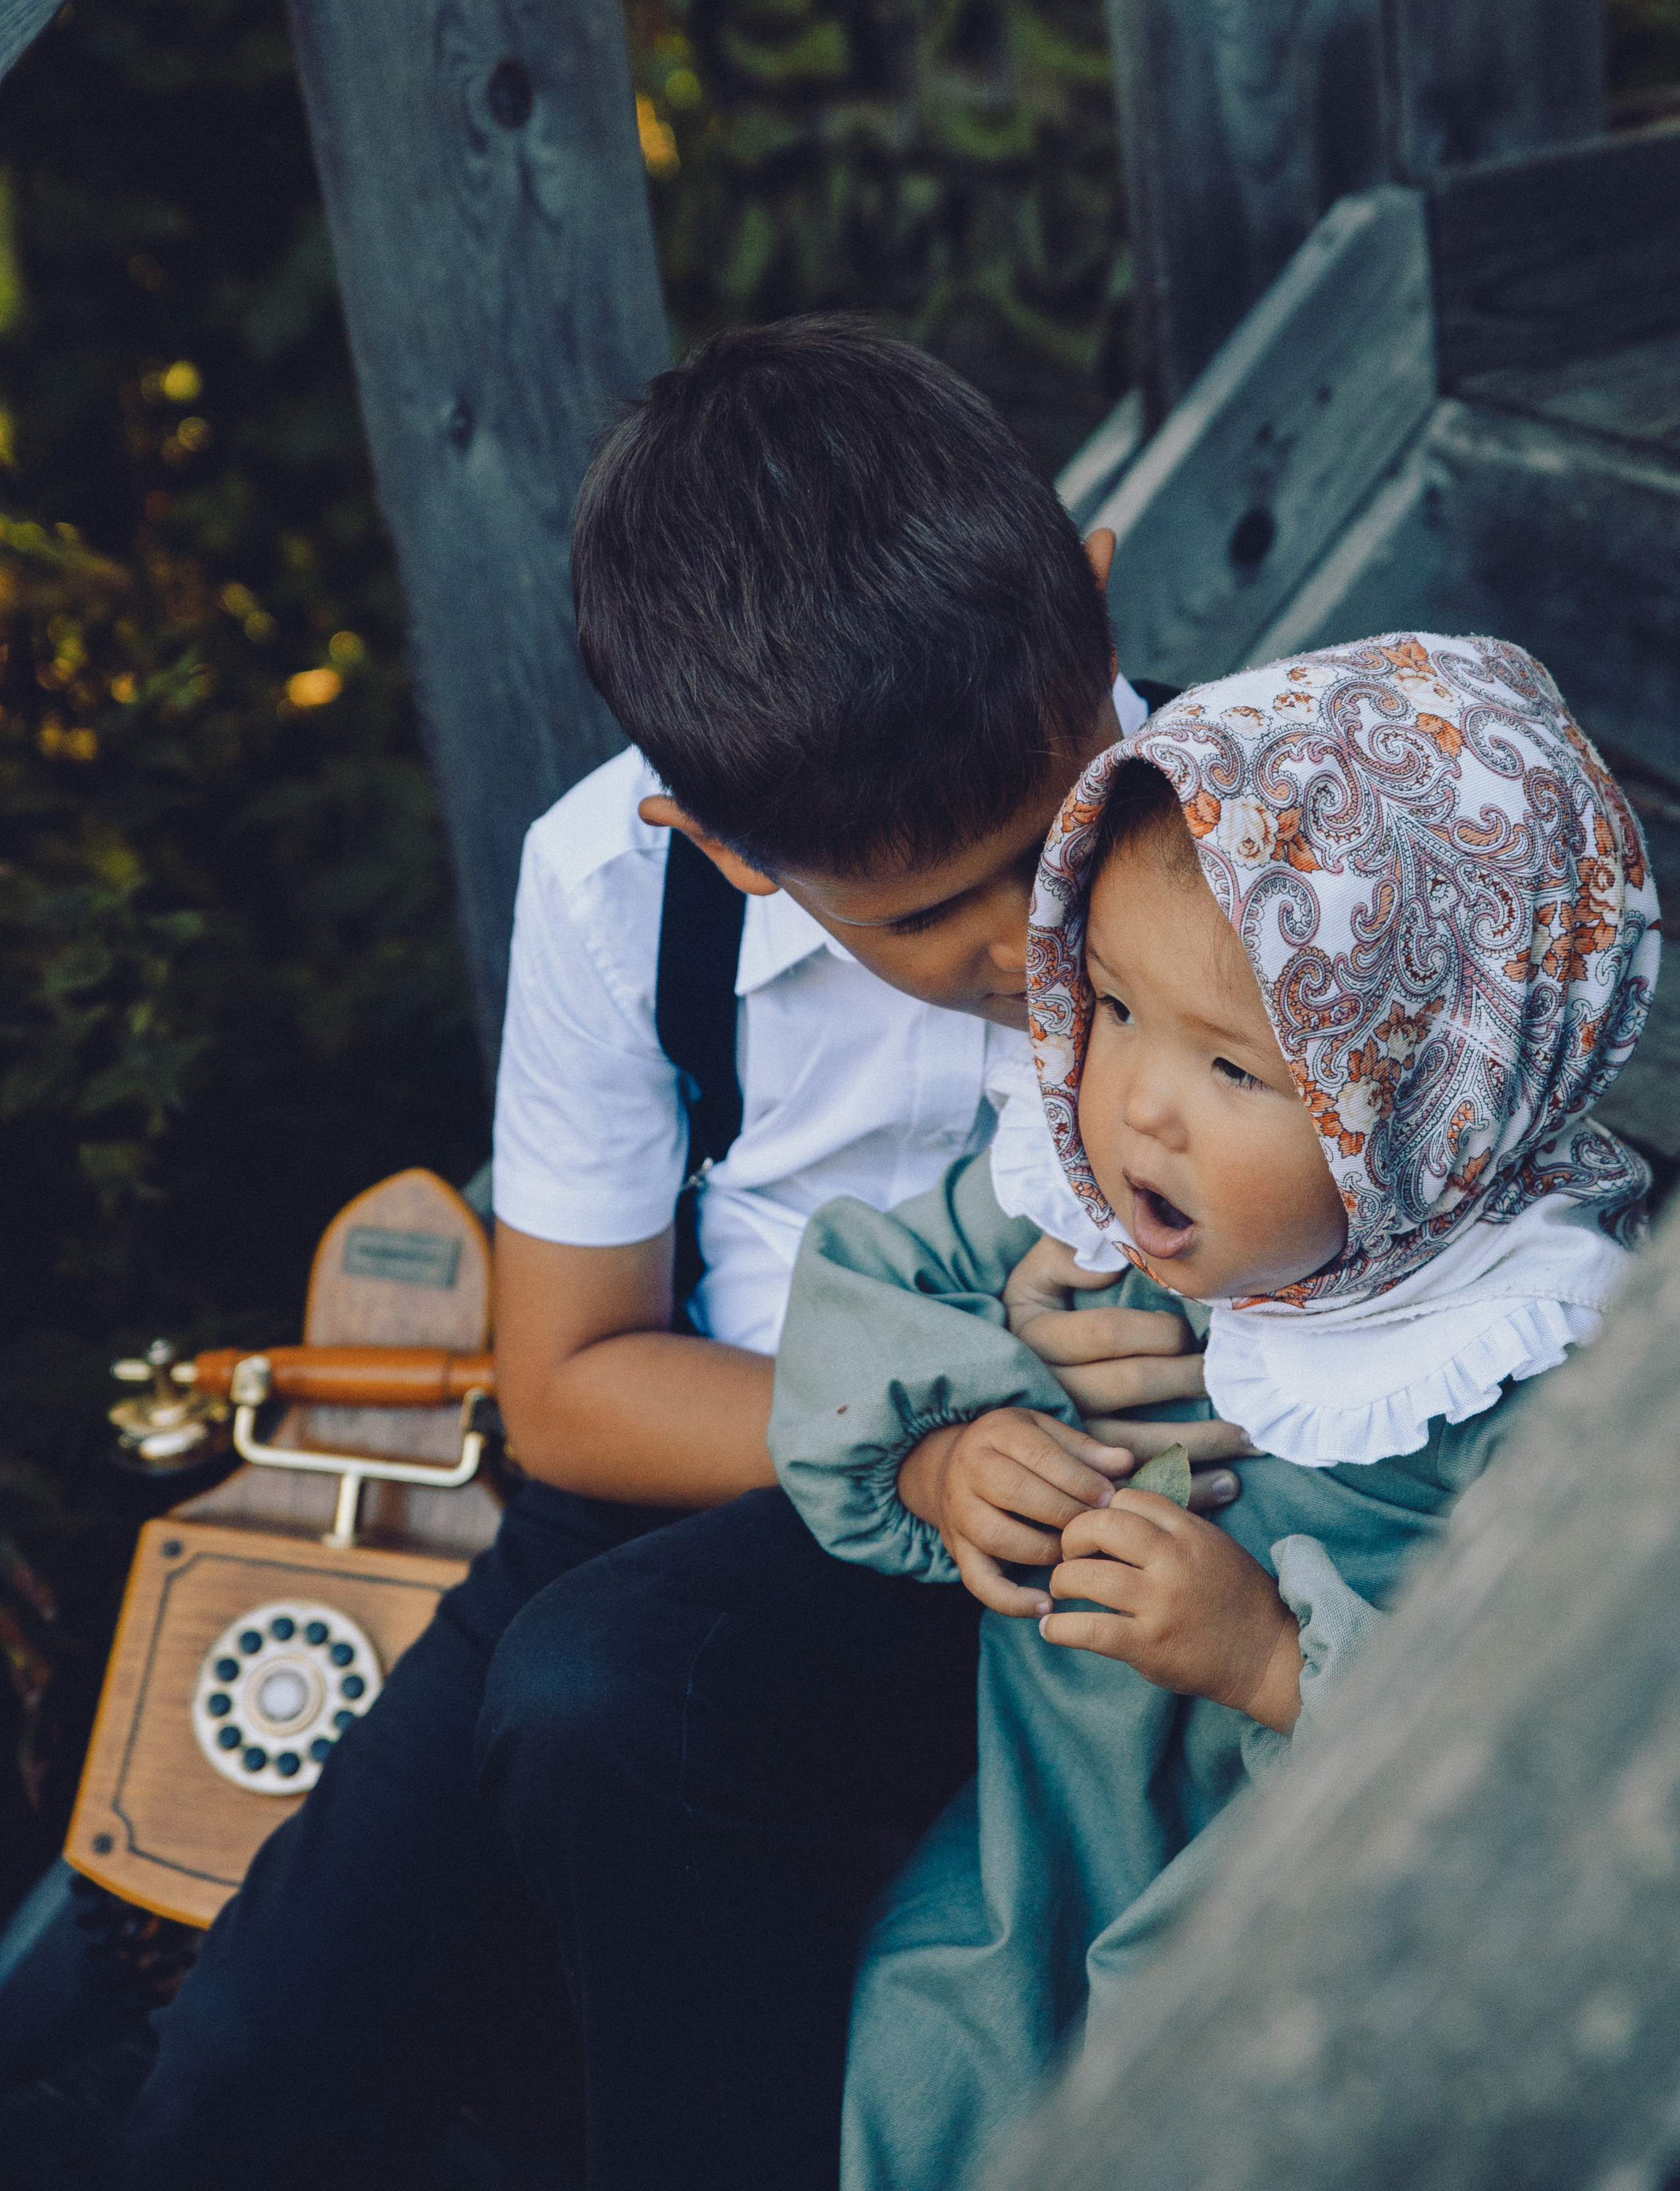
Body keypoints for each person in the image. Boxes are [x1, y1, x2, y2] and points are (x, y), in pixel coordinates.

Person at [117, 319, 1250, 2191]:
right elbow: (567, 1390)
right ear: (717, 838)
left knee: (610, 1703)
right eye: (926, 907)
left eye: (1043, 837)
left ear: (1097, 606)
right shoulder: (609, 889)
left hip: (1109, 1491)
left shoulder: (1257, 826)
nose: (1019, 936)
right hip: (724, 1434)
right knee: (247, 2069)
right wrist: (926, 1427)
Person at [768, 631, 1660, 2191]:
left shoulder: (1539, 1361)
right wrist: (940, 1453)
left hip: (1301, 1933)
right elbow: (865, 1292)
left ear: (1428, 1106)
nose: (1132, 1105)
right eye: (1110, 1007)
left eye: (1236, 1069)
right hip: (1030, 1867)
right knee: (917, 2065)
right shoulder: (1085, 1201)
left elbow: (1561, 1752)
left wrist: (1261, 1654)